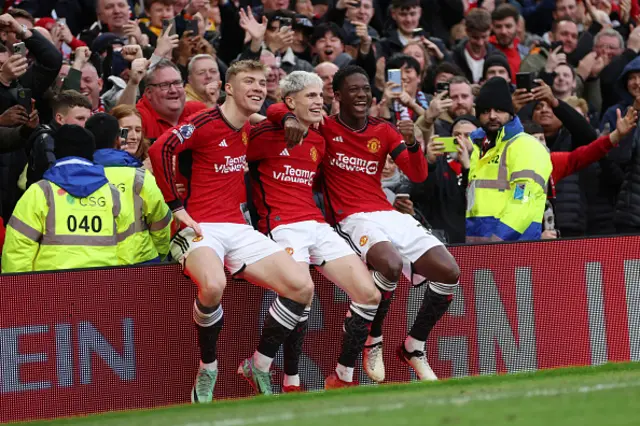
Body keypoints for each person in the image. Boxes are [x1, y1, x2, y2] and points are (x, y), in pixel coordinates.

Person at [268, 65, 460, 383]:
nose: (361, 94)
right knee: (390, 264)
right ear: (338, 95)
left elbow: (418, 174)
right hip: (350, 217)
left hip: (385, 213)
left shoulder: (383, 130)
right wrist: (287, 117)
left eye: (366, 88)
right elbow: (279, 107)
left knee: (449, 271)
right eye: (354, 89)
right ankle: (375, 338)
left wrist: (412, 143)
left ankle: (414, 345)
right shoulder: (324, 127)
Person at [148, 60, 314, 402]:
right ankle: (208, 367)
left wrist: (284, 115)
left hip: (239, 228)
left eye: (261, 83)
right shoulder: (204, 121)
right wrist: (176, 207)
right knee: (213, 285)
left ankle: (259, 365)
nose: (257, 87)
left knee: (302, 288)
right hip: (202, 226)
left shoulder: (248, 127)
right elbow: (159, 148)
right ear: (228, 88)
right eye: (248, 82)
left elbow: (280, 107)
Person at [248, 71, 380, 390]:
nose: (319, 101)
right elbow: (260, 118)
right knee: (301, 293)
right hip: (280, 225)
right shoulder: (265, 133)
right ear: (291, 101)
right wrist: (281, 115)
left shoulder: (319, 140)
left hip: (316, 224)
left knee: (369, 294)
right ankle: (270, 370)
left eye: (321, 95)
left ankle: (342, 377)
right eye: (311, 96)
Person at [2, 125, 130, 272]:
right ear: (91, 153)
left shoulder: (40, 192)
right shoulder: (113, 193)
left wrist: (21, 291)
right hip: (103, 285)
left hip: (51, 288)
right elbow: (126, 248)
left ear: (56, 151)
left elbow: (18, 249)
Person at [466, 77, 552, 242]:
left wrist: (498, 239)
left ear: (510, 113)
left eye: (499, 110)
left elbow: (523, 197)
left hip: (516, 246)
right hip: (478, 249)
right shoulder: (478, 149)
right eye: (485, 111)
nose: (492, 116)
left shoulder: (526, 146)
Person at [86, 113, 172, 265]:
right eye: (127, 130)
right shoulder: (141, 177)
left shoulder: (78, 176)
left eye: (138, 130)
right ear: (118, 139)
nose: (133, 136)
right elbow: (161, 222)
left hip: (95, 264)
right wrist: (159, 255)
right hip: (141, 261)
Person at [24, 90, 93, 190]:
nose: (86, 124)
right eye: (80, 118)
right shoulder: (46, 139)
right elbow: (54, 174)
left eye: (88, 119)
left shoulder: (83, 139)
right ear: (60, 119)